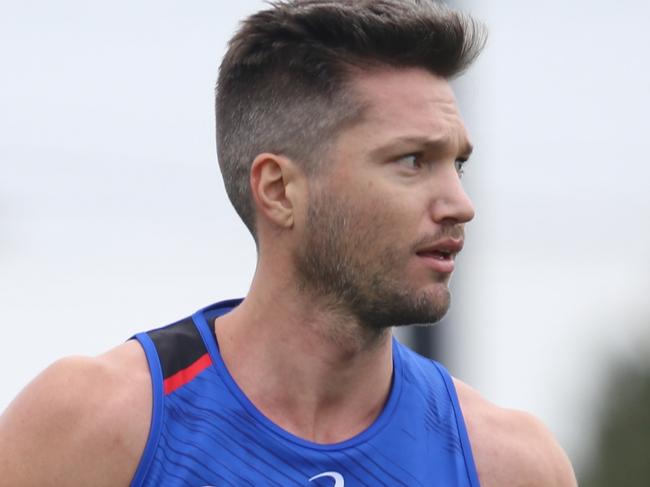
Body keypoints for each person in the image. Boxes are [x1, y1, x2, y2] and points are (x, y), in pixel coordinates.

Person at [0, 1, 577, 486]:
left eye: (458, 164)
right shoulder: (94, 425)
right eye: (412, 160)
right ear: (278, 190)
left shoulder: (507, 462)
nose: (459, 203)